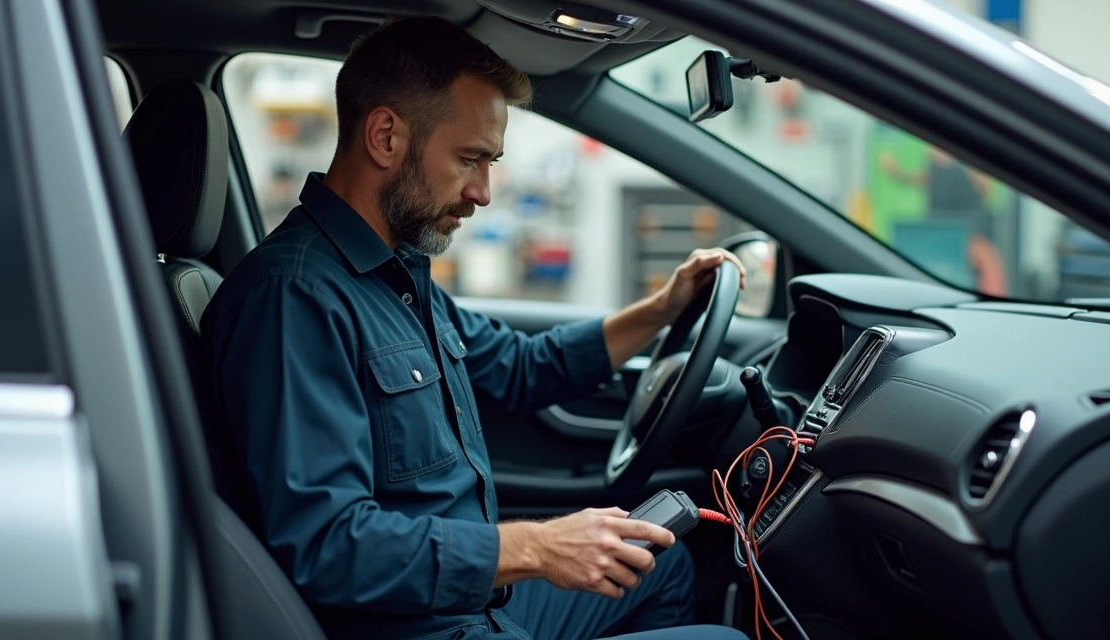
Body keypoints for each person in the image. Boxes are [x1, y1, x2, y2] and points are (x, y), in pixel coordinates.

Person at [201, 15, 750, 640]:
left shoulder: (395, 273)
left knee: (659, 564)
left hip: (473, 604)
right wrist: (538, 548)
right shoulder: (294, 298)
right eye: (470, 159)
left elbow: (521, 367)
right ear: (385, 136)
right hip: (419, 628)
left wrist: (661, 309)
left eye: (490, 162)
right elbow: (328, 546)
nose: (483, 192)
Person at [878, 146, 1007, 296]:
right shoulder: (934, 172)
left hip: (969, 231)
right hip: (941, 231)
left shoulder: (967, 169)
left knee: (988, 263)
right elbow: (912, 178)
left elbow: (985, 189)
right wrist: (893, 170)